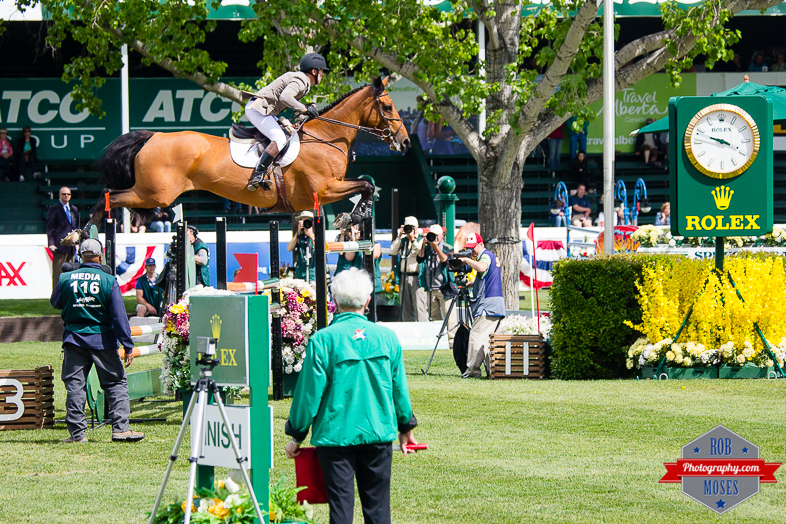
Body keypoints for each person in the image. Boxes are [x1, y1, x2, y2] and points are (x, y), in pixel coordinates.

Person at [284, 267, 418, 524]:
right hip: (377, 433)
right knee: (378, 512)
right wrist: (406, 427)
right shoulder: (387, 338)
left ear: (334, 301)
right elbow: (399, 389)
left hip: (335, 437)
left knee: (341, 512)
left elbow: (308, 395)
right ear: (368, 301)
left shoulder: (323, 340)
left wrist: (297, 434)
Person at [50, 239, 144, 443]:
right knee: (116, 383)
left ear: (80, 256)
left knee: (75, 386)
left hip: (74, 339)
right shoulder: (108, 280)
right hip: (103, 340)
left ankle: (77, 434)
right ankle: (121, 429)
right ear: (101, 256)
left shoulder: (66, 278)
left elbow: (55, 302)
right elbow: (119, 316)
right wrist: (128, 344)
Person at [245, 52, 329, 191]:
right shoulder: (301, 80)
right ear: (314, 71)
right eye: (322, 71)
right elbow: (285, 97)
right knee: (279, 139)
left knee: (286, 133)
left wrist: (305, 109)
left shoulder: (302, 81)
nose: (323, 74)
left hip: (265, 110)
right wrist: (304, 109)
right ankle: (258, 175)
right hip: (258, 110)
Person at [457, 233, 505, 378]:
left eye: (473, 247)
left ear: (481, 244)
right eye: (469, 248)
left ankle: (472, 371)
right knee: (487, 340)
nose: (471, 251)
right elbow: (486, 277)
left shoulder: (485, 256)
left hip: (487, 305)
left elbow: (482, 268)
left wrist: (466, 260)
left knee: (476, 336)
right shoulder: (491, 256)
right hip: (495, 304)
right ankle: (493, 371)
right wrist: (470, 283)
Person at [389, 216, 426, 321]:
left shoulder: (421, 239)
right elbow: (393, 251)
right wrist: (399, 236)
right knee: (405, 308)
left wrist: (413, 239)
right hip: (404, 276)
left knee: (419, 306)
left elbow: (419, 252)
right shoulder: (403, 241)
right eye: (407, 227)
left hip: (416, 277)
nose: (409, 230)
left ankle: (423, 328)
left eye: (412, 227)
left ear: (416, 228)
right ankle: (408, 327)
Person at [47, 187, 79, 289]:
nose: (66, 196)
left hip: (71, 247)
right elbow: (50, 228)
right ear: (60, 195)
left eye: (68, 194)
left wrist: (77, 242)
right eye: (64, 194)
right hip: (59, 246)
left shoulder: (73, 209)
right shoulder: (54, 209)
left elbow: (76, 227)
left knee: (71, 273)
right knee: (58, 273)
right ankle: (56, 294)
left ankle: (69, 292)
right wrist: (51, 243)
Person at [287, 211, 316, 282]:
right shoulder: (299, 236)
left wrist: (311, 235)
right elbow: (289, 248)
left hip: (313, 273)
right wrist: (298, 233)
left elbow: (321, 250)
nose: (306, 223)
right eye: (303, 221)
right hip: (300, 273)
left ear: (312, 222)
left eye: (307, 221)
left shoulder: (317, 234)